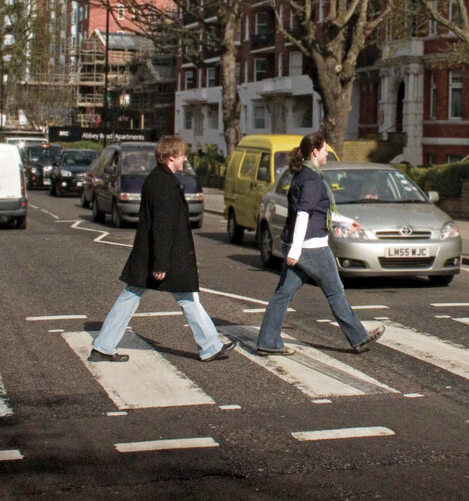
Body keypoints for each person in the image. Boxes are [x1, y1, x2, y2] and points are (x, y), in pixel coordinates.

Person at [92, 135, 235, 363]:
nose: (185, 159)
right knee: (178, 297)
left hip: (159, 253)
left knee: (154, 296)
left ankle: (104, 346)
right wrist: (161, 264)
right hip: (163, 255)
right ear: (171, 158)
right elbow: (163, 226)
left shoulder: (160, 179)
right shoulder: (163, 184)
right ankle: (210, 347)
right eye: (182, 155)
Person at [255, 131, 385, 356]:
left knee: (283, 294)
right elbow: (304, 214)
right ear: (315, 152)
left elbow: (317, 211)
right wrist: (296, 250)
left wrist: (347, 222)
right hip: (312, 247)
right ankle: (359, 338)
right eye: (325, 149)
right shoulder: (312, 179)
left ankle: (267, 342)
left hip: (300, 245)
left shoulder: (302, 174)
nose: (327, 153)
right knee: (335, 292)